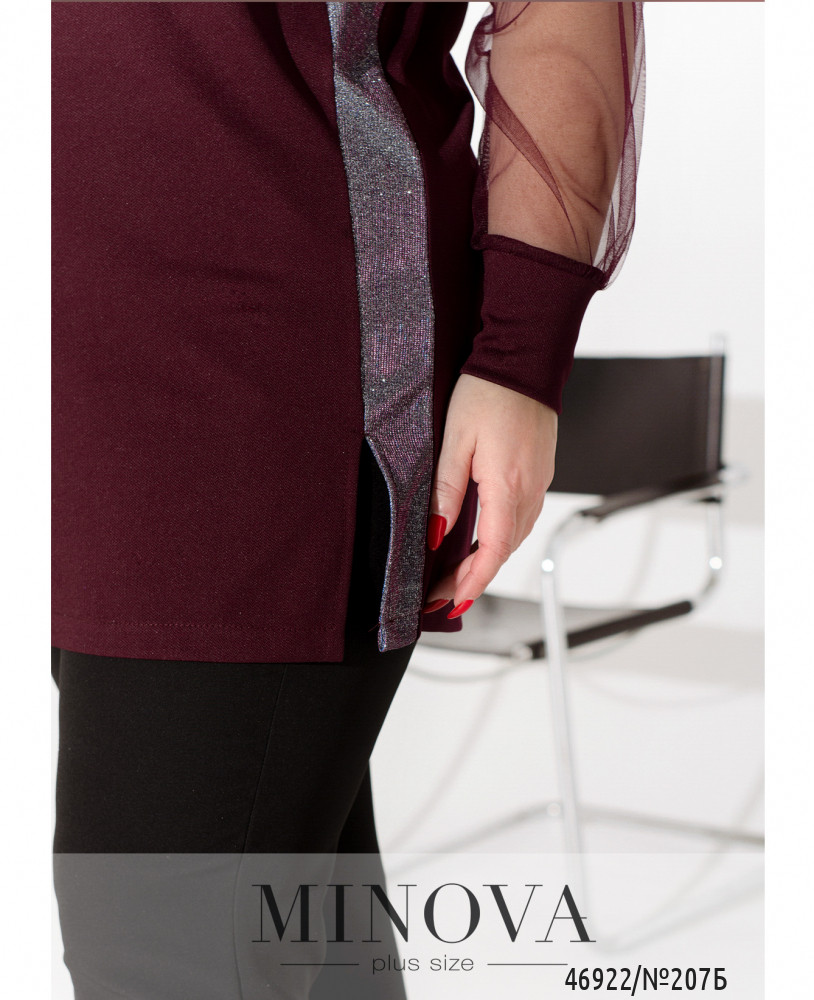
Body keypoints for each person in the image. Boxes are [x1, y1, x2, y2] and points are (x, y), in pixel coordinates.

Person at [51, 3, 645, 997]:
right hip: (75, 358)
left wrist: (519, 359)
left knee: (167, 943)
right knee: (281, 925)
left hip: (270, 361)